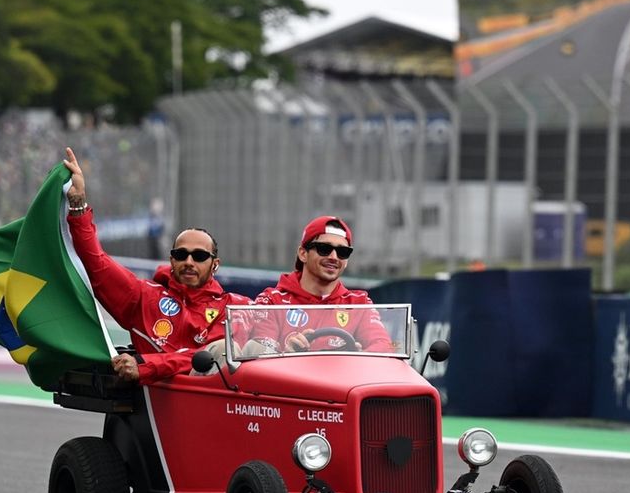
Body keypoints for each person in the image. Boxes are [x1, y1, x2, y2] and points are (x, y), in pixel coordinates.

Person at [62, 147, 250, 383]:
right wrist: (78, 204)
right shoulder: (143, 297)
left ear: (215, 264)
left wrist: (145, 366)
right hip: (155, 409)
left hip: (212, 407)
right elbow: (94, 260)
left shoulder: (233, 308)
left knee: (228, 349)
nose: (189, 262)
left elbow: (205, 358)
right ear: (172, 260)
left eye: (199, 256)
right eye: (181, 254)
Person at [248, 215, 392, 353]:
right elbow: (259, 355)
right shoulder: (272, 301)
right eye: (324, 249)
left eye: (343, 252)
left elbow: (384, 346)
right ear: (303, 254)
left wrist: (357, 358)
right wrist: (286, 354)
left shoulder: (359, 304)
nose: (333, 257)